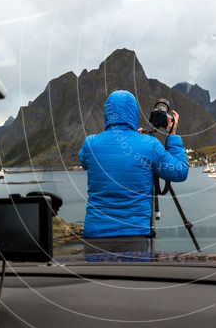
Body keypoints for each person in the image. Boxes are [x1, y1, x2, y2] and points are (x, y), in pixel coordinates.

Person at [78, 90, 189, 255]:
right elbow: (180, 171)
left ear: (107, 113)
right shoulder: (149, 144)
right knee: (132, 279)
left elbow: (85, 163)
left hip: (95, 234)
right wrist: (172, 135)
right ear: (133, 113)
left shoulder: (90, 144)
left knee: (97, 279)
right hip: (134, 235)